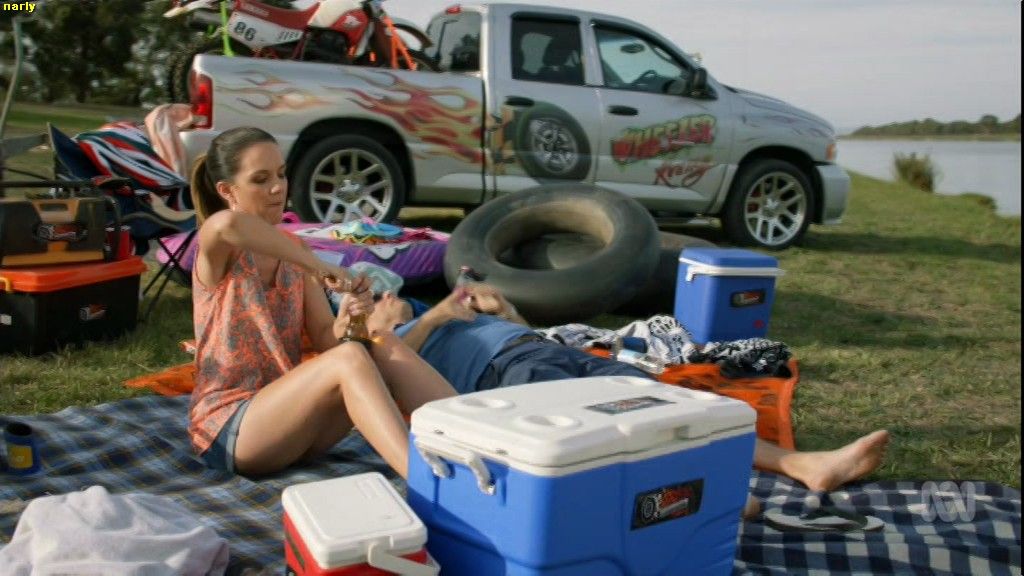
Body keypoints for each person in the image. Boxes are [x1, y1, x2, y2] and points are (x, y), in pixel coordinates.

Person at [367, 284, 890, 495]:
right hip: (503, 377)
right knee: (592, 432)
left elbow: (530, 333)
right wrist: (420, 319)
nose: (385, 294)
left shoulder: (431, 315)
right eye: (375, 298)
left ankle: (801, 464)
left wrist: (506, 312)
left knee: (666, 402)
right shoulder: (384, 344)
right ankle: (704, 493)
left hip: (548, 349)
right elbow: (390, 368)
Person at [188, 127, 456, 478]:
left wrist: (348, 321)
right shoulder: (219, 248)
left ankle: (478, 441)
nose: (278, 187)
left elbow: (326, 339)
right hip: (230, 431)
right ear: (227, 190)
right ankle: (426, 484)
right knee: (350, 358)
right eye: (261, 179)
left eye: (281, 174)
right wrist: (318, 266)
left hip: (292, 424)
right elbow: (227, 224)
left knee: (381, 343)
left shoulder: (296, 254)